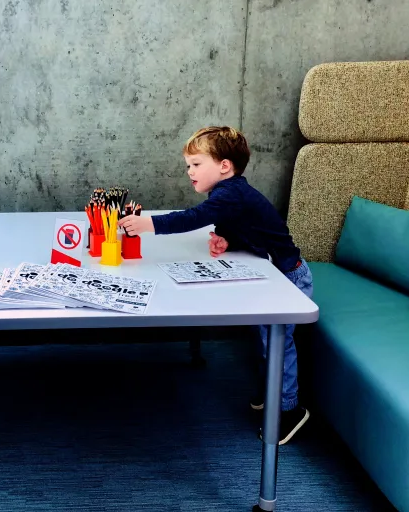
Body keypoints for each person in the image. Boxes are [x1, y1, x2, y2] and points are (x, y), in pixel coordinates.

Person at [118, 126, 313, 445]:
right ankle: (275, 393)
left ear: (224, 165)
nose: (189, 171)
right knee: (266, 341)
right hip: (271, 273)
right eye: (187, 165)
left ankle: (288, 409)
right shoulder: (229, 193)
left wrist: (148, 224)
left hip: (288, 277)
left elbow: (191, 219)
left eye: (196, 164)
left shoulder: (230, 193)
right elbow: (247, 226)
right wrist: (228, 239)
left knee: (277, 343)